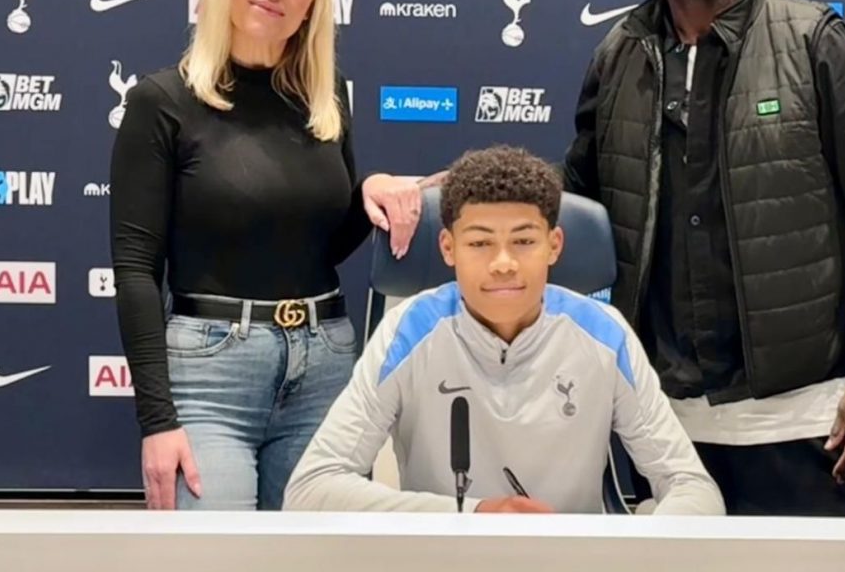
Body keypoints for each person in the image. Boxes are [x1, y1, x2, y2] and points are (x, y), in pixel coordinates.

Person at [561, 0, 845, 516]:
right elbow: (570, 202)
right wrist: (466, 187)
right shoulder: (618, 56)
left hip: (807, 424)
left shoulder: (813, 40)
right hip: (663, 431)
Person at [110, 0, 424, 511]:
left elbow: (320, 244)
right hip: (209, 375)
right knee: (218, 556)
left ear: (314, 3)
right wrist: (157, 421)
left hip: (326, 364)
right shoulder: (162, 102)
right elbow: (135, 270)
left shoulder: (327, 98)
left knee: (315, 557)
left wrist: (369, 192)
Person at [283, 145, 725, 515]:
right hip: (446, 561)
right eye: (479, 243)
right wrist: (473, 515)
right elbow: (311, 489)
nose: (503, 263)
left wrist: (637, 545)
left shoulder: (604, 333)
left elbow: (692, 487)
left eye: (524, 241)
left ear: (554, 246)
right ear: (448, 248)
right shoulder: (408, 330)